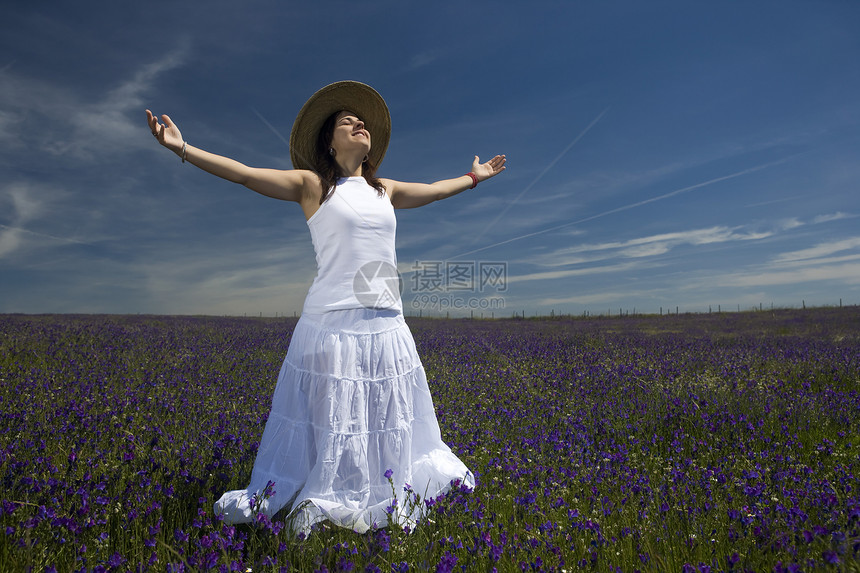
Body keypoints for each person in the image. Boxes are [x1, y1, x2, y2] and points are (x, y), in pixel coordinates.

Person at [145, 80, 506, 534]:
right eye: (345, 121)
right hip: (330, 325)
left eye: (361, 121)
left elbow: (434, 190)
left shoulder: (385, 190)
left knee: (384, 416)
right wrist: (183, 148)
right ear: (329, 143)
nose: (358, 123)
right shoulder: (312, 185)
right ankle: (328, 496)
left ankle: (378, 494)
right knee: (333, 420)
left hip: (387, 324)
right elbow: (242, 172)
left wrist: (475, 177)